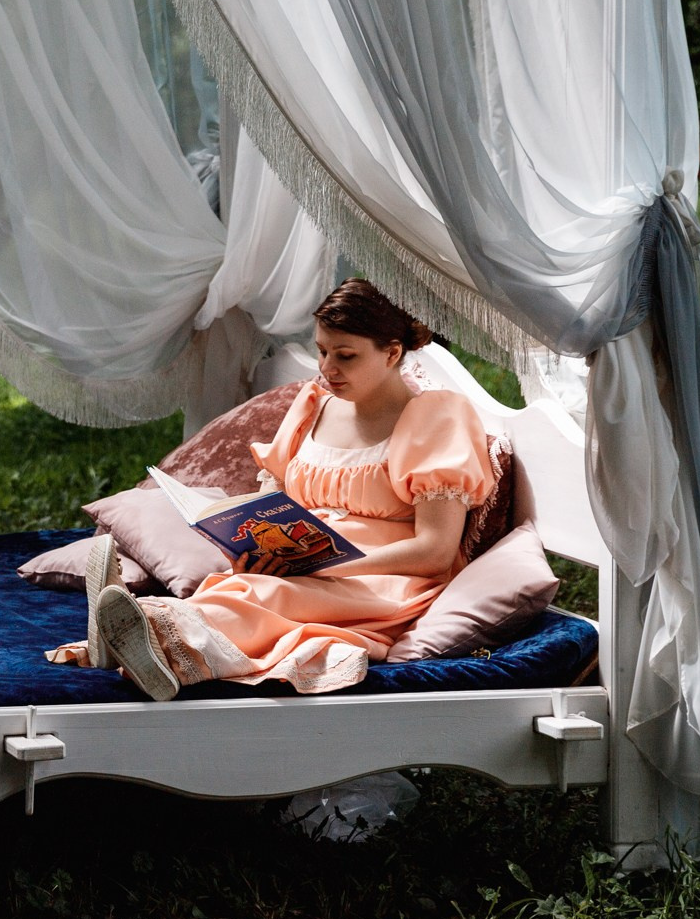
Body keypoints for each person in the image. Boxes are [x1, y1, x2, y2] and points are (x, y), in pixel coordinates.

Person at [80, 278, 494, 697]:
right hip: (305, 561)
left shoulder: (436, 417)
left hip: (382, 580)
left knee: (269, 594)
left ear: (391, 353)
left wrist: (328, 567)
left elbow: (437, 552)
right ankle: (142, 638)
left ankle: (146, 636)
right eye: (322, 351)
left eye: (345, 356)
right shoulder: (314, 404)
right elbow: (273, 503)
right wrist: (251, 546)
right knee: (241, 585)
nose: (327, 368)